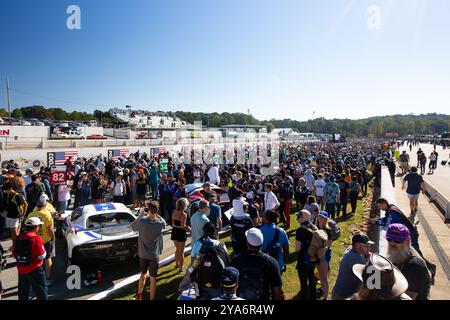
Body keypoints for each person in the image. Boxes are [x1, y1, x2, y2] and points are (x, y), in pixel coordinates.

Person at [231, 228, 284, 300]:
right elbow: (278, 292)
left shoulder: (236, 260)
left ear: (247, 243)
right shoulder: (271, 262)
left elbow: (230, 287)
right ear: (262, 243)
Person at [130, 201, 166, 300]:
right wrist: (156, 213)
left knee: (143, 274)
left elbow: (132, 226)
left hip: (143, 254)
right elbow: (164, 222)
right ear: (157, 211)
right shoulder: (160, 223)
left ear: (148, 210)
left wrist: (141, 214)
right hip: (154, 255)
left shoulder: (142, 221)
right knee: (153, 279)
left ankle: (139, 296)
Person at [385, 224, 431, 300]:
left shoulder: (416, 266)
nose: (392, 243)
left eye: (397, 240)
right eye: (389, 239)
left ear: (408, 241)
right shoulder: (390, 258)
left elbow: (408, 297)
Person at [190, 222, 230, 299]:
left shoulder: (197, 243)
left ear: (204, 231)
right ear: (215, 231)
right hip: (217, 283)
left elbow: (193, 263)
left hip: (201, 282)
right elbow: (226, 261)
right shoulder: (221, 245)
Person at [13, 217, 48, 300]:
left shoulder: (19, 237)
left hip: (21, 269)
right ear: (36, 227)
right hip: (35, 269)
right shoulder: (36, 238)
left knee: (23, 293)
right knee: (41, 291)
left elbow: (14, 254)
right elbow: (42, 256)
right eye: (39, 226)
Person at [331, 234, 373, 300]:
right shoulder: (354, 258)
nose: (369, 248)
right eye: (366, 246)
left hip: (339, 292)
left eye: (369, 246)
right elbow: (370, 278)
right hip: (342, 296)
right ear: (357, 245)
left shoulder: (353, 250)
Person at [27, 197, 55, 285]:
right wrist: (53, 237)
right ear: (45, 205)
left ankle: (35, 278)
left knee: (35, 258)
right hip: (46, 239)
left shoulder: (31, 214)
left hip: (34, 239)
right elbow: (50, 229)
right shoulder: (47, 214)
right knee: (47, 258)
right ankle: (48, 279)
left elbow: (27, 225)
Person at [295, 210, 317, 300]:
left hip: (303, 258)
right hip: (314, 257)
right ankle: (313, 295)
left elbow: (297, 248)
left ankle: (304, 296)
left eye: (298, 216)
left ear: (303, 218)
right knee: (311, 276)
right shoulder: (314, 226)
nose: (297, 218)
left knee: (303, 279)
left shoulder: (300, 230)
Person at [230, 191, 254, 255]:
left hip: (236, 237)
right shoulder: (247, 219)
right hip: (244, 240)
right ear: (240, 195)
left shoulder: (233, 201)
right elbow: (252, 229)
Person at [171, 198, 191, 273]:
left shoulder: (174, 211)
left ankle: (177, 264)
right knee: (181, 251)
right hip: (180, 233)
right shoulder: (183, 214)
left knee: (177, 249)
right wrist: (189, 229)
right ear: (184, 205)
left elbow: (173, 224)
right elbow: (183, 226)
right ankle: (181, 268)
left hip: (174, 231)